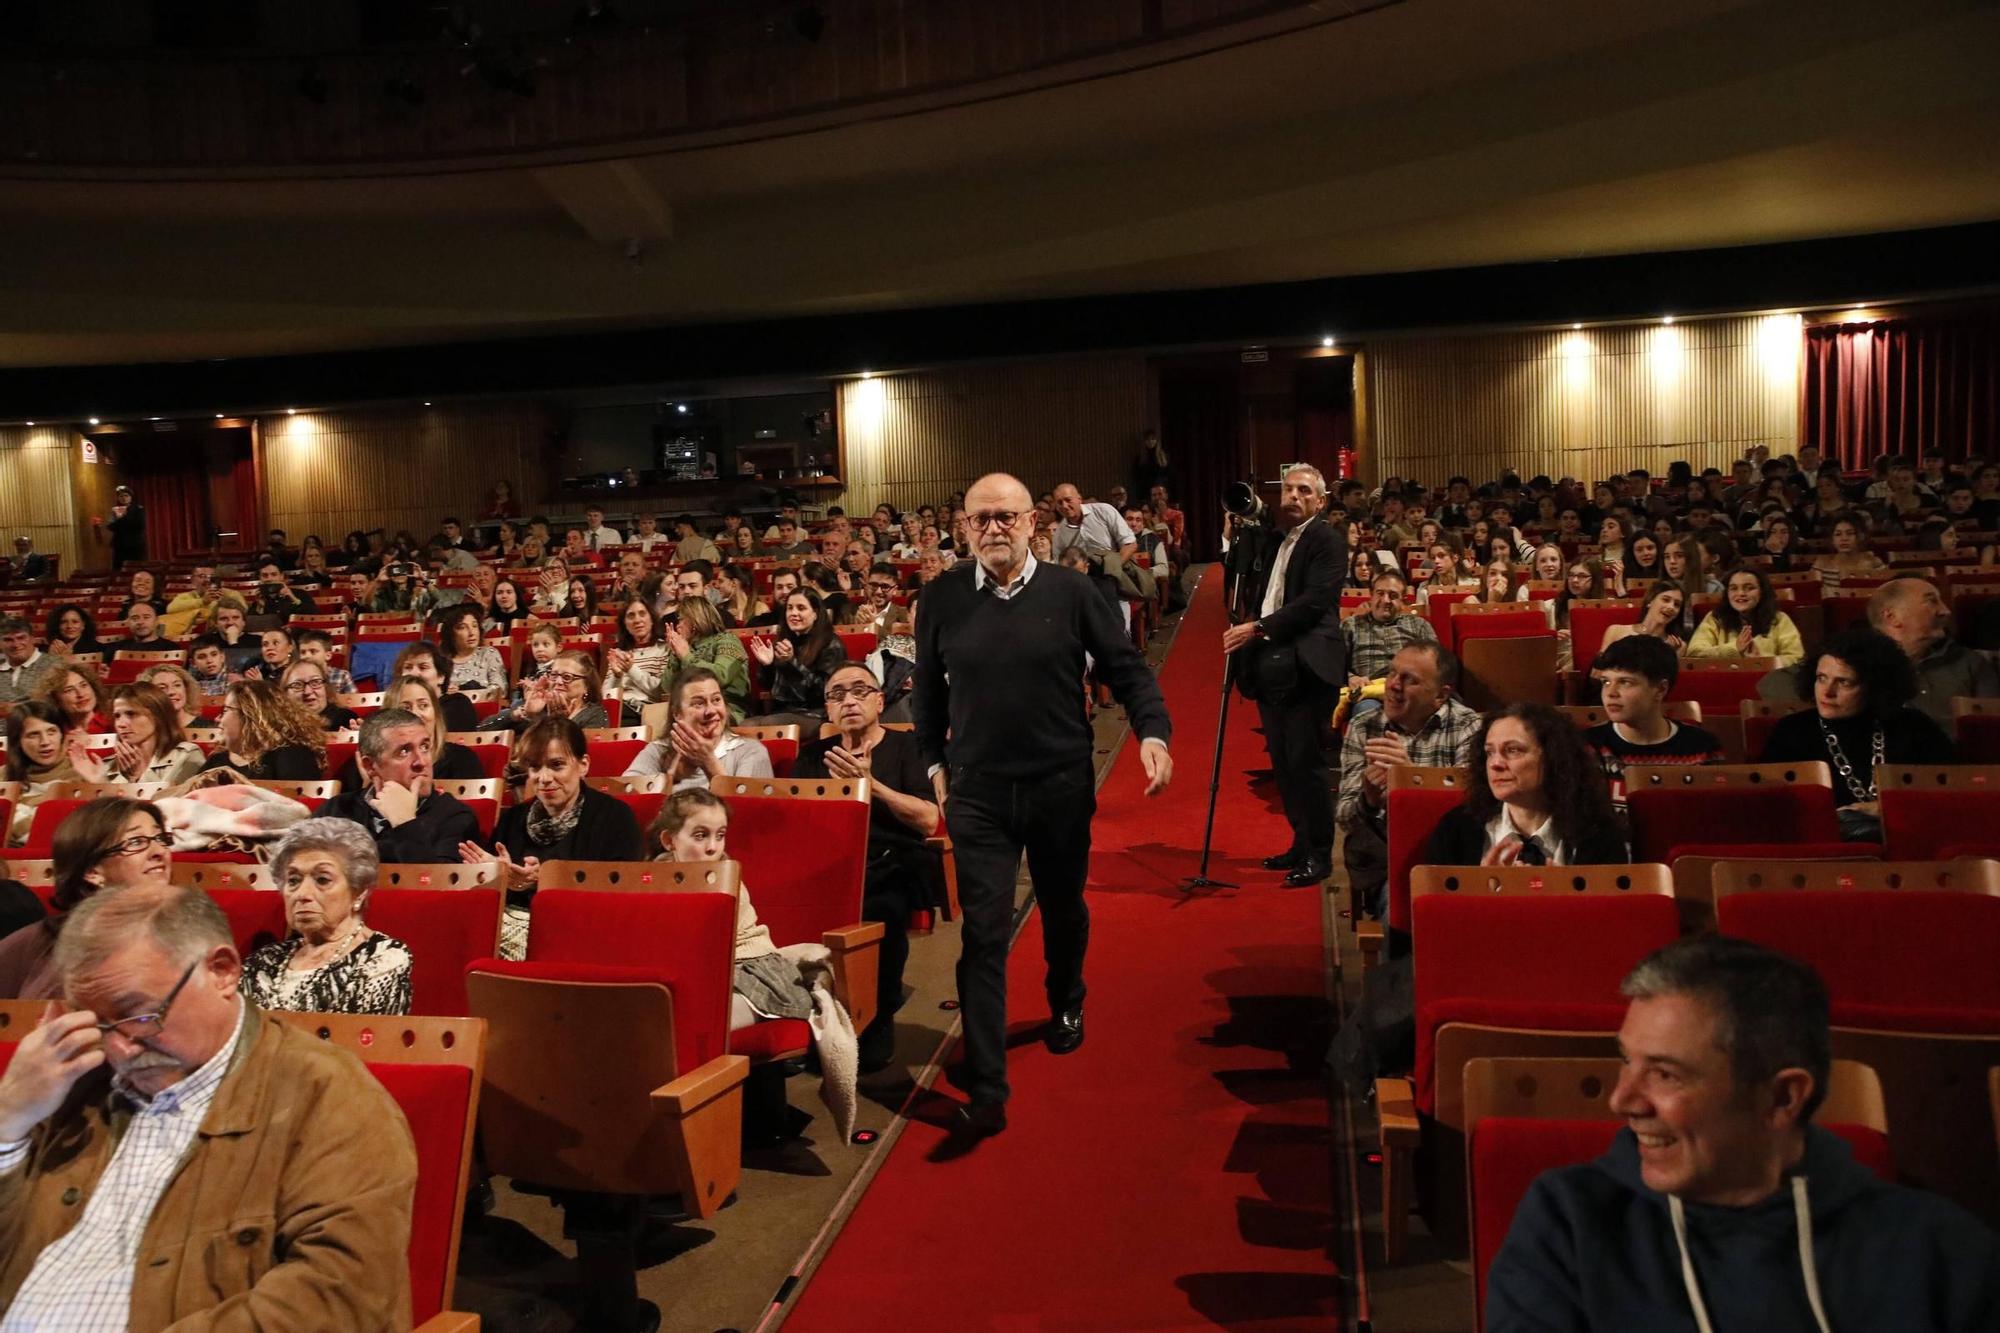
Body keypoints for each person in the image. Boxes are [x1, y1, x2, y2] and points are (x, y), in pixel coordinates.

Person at [1484, 934, 2000, 1333]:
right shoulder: (1570, 1223)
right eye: (1627, 1062)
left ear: (1781, 1099)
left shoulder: (1938, 1250)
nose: (1623, 1100)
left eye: (1665, 1074)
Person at [0, 881, 417, 1326]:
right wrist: (9, 1120)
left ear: (222, 971)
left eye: (140, 1016)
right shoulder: (67, 1082)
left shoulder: (327, 1095)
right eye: (97, 1022)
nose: (119, 1050)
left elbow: (338, 1297)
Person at [914, 472, 1172, 1137]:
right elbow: (926, 698)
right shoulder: (941, 597)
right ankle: (990, 1084)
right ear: (963, 527)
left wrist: (1153, 732)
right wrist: (937, 766)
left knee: (1062, 907)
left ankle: (1066, 999)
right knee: (984, 929)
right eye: (981, 519)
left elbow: (1128, 666)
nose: (994, 528)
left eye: (1007, 516)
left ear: (1033, 522)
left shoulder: (1073, 591)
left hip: (1059, 781)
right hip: (978, 792)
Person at [793, 661, 943, 1070]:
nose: (849, 700)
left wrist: (870, 785)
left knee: (881, 905)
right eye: (837, 694)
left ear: (880, 701)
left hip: (892, 860)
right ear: (827, 710)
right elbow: (795, 825)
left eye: (860, 690)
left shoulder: (907, 747)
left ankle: (876, 1014)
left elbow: (929, 819)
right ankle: (810, 1019)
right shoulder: (811, 758)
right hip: (829, 863)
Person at [461, 717, 644, 958]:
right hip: (511, 937)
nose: (544, 778)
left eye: (556, 765)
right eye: (536, 767)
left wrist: (547, 880)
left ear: (583, 765)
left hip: (584, 938)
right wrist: (495, 877)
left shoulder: (615, 818)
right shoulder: (513, 819)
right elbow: (497, 901)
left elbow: (622, 896)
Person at [1759, 627, 1956, 839]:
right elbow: (1771, 811)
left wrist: (1885, 808)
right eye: (1821, 678)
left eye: (1844, 682)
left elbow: (1953, 797)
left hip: (1910, 844)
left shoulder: (1915, 728)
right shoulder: (1791, 731)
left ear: (1874, 686)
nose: (1827, 692)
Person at [646, 790, 814, 1030]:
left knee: (695, 1021)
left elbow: (704, 946)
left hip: (745, 968)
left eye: (720, 835)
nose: (713, 847)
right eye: (700, 835)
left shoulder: (725, 878)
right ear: (669, 841)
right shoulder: (654, 875)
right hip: (687, 975)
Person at [1336, 643, 1480, 921]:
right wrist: (1368, 801)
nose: (1393, 685)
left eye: (1410, 679)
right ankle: (1401, 965)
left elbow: (1474, 811)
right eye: (1392, 673)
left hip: (1452, 857)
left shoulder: (1468, 726)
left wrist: (1411, 781)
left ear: (1440, 695)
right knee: (1403, 907)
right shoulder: (1364, 727)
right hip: (1386, 860)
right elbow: (1344, 819)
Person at [0, 796, 175, 998]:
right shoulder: (41, 940)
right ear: (92, 871)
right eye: (136, 842)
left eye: (161, 838)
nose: (159, 851)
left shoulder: (192, 932)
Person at [238, 818, 414, 1015]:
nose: (303, 894)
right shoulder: (264, 960)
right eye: (293, 880)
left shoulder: (382, 958)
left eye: (322, 880)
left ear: (359, 891)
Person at [1425, 702, 1627, 865]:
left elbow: (1609, 914)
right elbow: (1432, 912)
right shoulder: (1456, 829)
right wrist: (1480, 897)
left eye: (1513, 750)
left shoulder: (1598, 833)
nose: (1495, 764)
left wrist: (1566, 903)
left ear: (1553, 757)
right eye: (1489, 752)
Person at [1584, 636, 1724, 820]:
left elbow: (1711, 820)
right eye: (1606, 682)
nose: (1611, 693)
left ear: (1660, 689)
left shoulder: (1703, 748)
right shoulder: (1587, 746)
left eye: (1625, 682)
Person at [318, 708, 481, 863]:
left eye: (425, 747)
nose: (421, 762)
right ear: (370, 766)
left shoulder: (455, 817)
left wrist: (405, 823)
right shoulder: (335, 811)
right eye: (404, 751)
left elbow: (434, 887)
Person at [1868, 577, 2000, 724]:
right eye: (1931, 601)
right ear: (1892, 617)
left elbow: (1992, 730)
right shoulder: (1860, 668)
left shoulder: (1970, 662)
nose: (1946, 611)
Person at [624, 667, 772, 789]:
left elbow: (744, 814)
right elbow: (627, 798)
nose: (711, 711)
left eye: (716, 700)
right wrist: (669, 779)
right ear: (677, 714)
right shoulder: (657, 750)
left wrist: (708, 762)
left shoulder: (750, 752)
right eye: (699, 703)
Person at [1337, 569, 1438, 723]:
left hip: (1412, 690)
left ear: (1403, 600)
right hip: (1370, 693)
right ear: (1371, 595)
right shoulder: (1351, 626)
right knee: (1367, 712)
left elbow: (1436, 663)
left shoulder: (1419, 625)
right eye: (1380, 593)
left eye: (1393, 596)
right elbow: (1334, 664)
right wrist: (1351, 678)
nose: (1385, 600)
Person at [67, 683, 207, 786]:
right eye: (117, 716)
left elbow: (168, 810)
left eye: (131, 714)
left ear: (157, 715)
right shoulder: (107, 766)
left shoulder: (187, 756)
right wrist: (100, 783)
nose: (121, 724)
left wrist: (138, 777)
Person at [747, 587, 846, 729]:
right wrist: (767, 665)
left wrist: (792, 663)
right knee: (744, 726)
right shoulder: (784, 641)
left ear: (816, 613)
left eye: (801, 608)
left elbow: (823, 691)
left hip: (815, 714)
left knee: (767, 725)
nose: (794, 613)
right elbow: (768, 687)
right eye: (790, 608)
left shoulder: (830, 643)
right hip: (783, 711)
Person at [1049, 481, 1157, 605]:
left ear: (1079, 499)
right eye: (1059, 502)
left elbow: (1130, 544)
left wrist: (1111, 570)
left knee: (1117, 620)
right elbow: (1060, 566)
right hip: (1083, 585)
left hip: (1114, 577)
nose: (1064, 505)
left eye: (1068, 500)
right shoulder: (1060, 534)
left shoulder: (1103, 511)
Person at [199, 678, 326, 781]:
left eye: (226, 710)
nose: (217, 718)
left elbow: (299, 808)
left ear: (250, 716)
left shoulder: (293, 757)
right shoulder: (217, 759)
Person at [1686, 567, 1806, 666]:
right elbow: (1694, 653)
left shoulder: (1779, 619)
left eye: (1749, 588)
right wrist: (1734, 649)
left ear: (1761, 592)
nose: (1741, 594)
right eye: (1733, 588)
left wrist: (1762, 661)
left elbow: (1797, 658)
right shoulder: (1715, 618)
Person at [605, 597, 675, 720]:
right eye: (631, 616)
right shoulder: (619, 653)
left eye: (642, 614)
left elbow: (661, 691)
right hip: (617, 709)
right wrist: (617, 675)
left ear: (652, 619)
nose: (637, 620)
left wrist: (631, 669)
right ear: (625, 624)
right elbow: (606, 695)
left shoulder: (664, 649)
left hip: (646, 711)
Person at [390, 640, 483, 732]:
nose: (414, 673)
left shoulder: (458, 706)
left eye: (423, 667)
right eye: (408, 667)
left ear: (441, 676)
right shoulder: (392, 706)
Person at [511, 648, 609, 733]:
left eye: (567, 677)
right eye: (554, 675)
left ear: (586, 685)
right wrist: (528, 713)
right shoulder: (541, 705)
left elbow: (574, 751)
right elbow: (496, 725)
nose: (558, 681)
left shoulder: (595, 715)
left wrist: (562, 723)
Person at [434, 603, 506, 695]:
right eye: (462, 627)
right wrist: (444, 692)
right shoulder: (440, 659)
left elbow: (500, 689)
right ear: (451, 634)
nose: (471, 632)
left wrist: (462, 692)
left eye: (474, 626)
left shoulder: (489, 654)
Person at [1600, 582, 1689, 655]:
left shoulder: (1678, 646)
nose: (1671, 607)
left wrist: (1668, 653)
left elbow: (1666, 676)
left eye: (1677, 604)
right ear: (1650, 601)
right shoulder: (1615, 631)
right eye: (1666, 600)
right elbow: (1597, 672)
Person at [283, 658, 360, 731]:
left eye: (315, 682)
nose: (307, 691)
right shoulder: (278, 725)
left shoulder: (346, 719)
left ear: (326, 687)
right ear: (285, 693)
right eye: (297, 685)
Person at [138, 663, 212, 736]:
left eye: (177, 685)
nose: (171, 692)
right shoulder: (144, 732)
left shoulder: (210, 728)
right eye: (162, 688)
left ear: (186, 689)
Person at [0, 616, 62, 704]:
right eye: (8, 640)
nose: (16, 644)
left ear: (32, 639)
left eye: (21, 638)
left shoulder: (53, 664)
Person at [43, 665, 111, 738]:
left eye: (83, 685)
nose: (80, 694)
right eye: (69, 690)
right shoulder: (53, 732)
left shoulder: (113, 723)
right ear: (56, 700)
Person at [1813, 517, 1887, 582]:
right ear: (1832, 540)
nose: (1844, 539)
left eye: (1850, 533)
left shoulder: (1874, 563)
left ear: (1861, 536)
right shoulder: (1822, 564)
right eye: (1838, 534)